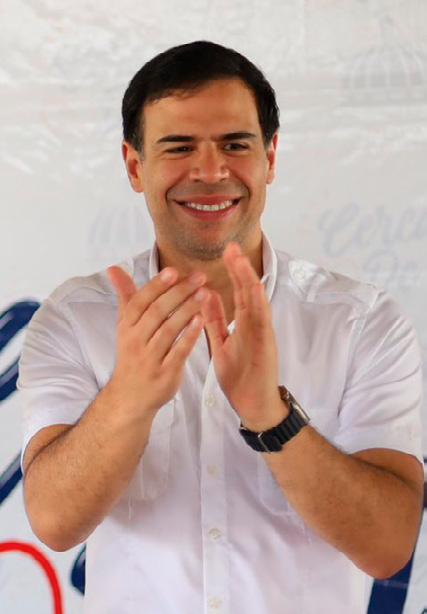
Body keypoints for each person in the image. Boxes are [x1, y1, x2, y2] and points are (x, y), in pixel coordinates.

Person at [18, 40, 424, 614]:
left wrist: (272, 418)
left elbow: (389, 547)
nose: (210, 172)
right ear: (135, 166)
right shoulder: (74, 318)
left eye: (235, 144)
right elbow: (54, 522)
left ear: (271, 158)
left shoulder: (363, 322)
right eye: (179, 147)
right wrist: (129, 398)